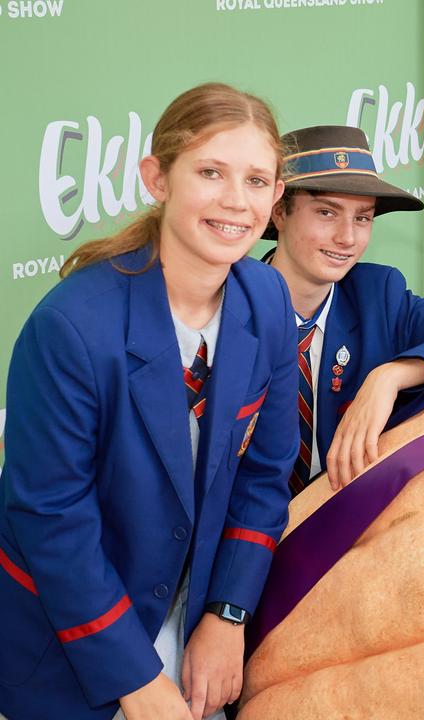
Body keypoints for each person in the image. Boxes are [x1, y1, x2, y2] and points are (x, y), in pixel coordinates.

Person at [0, 83, 296, 720]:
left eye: (255, 180)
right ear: (157, 178)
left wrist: (227, 612)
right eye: (210, 172)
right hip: (71, 646)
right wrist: (135, 679)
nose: (233, 202)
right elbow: (52, 522)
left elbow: (265, 475)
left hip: (196, 621)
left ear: (276, 198)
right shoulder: (72, 328)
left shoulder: (268, 298)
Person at [263, 126, 424, 492]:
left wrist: (389, 376)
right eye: (327, 213)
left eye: (363, 218)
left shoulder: (377, 295)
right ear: (279, 212)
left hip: (337, 531)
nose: (348, 237)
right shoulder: (230, 303)